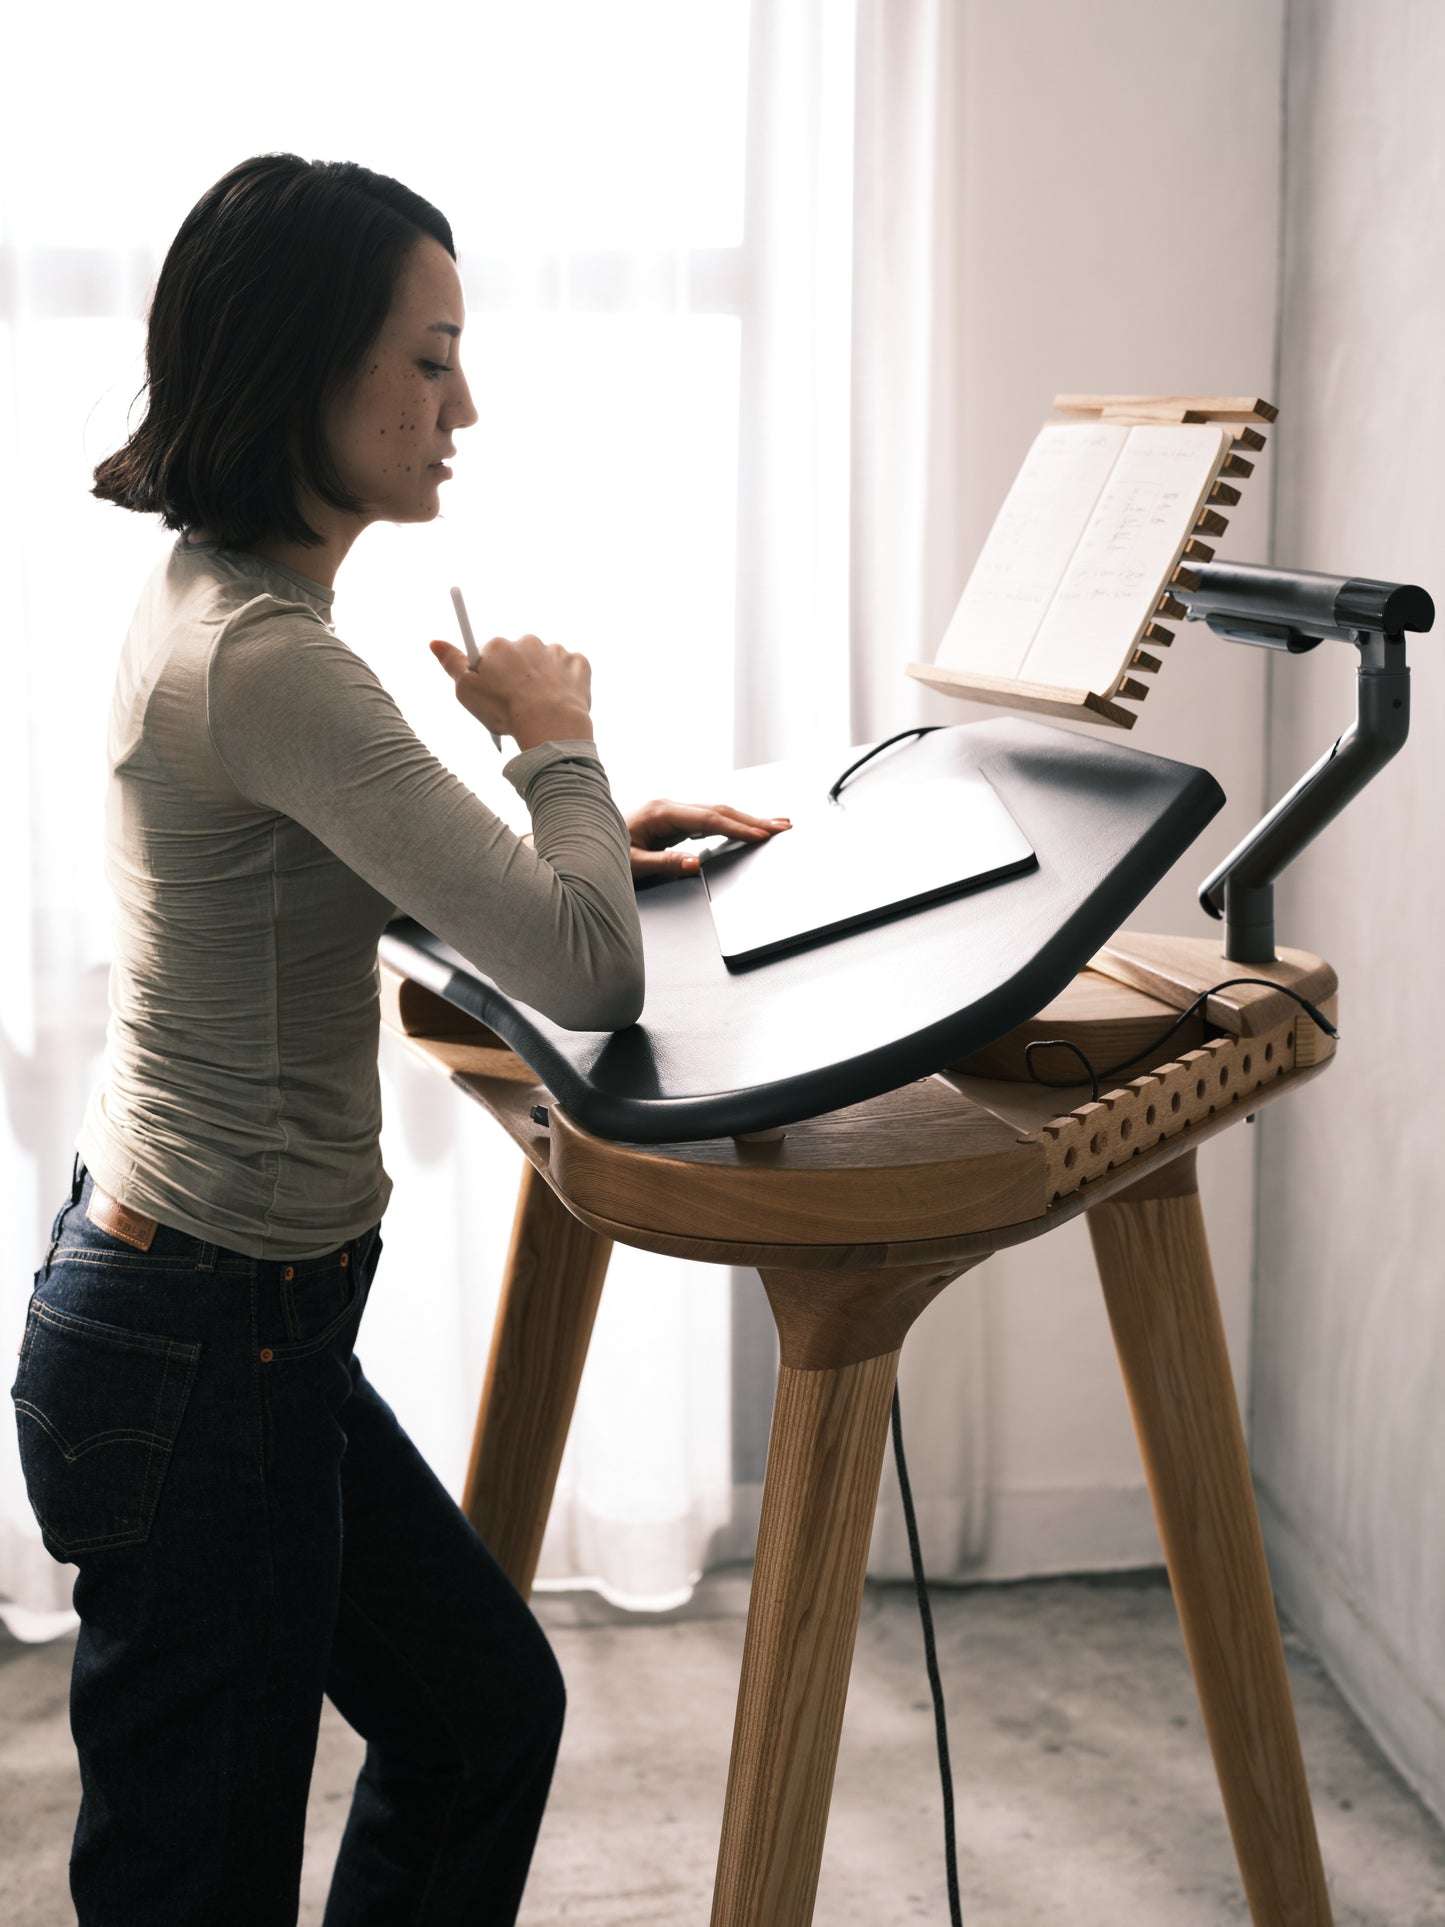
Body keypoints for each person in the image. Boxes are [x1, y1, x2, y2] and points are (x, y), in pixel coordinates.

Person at [11, 153, 788, 1926]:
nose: (466, 407)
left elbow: (387, 880)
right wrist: (554, 735)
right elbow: (585, 969)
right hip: (211, 1345)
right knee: (196, 1879)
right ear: (304, 364)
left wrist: (577, 828)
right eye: (428, 359)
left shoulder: (228, 606)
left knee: (476, 1717)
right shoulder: (275, 662)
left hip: (220, 1319)